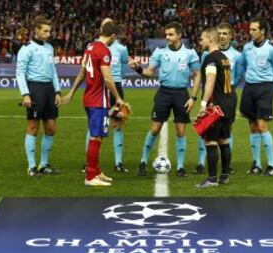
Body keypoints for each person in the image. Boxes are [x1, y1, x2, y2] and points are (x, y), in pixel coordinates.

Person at [129, 22, 201, 177]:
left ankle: (180, 167)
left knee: (181, 130)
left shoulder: (190, 53)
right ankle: (143, 162)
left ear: (179, 35)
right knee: (154, 129)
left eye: (170, 34)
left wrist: (193, 97)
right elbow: (149, 72)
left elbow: (197, 75)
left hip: (182, 94)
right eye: (166, 34)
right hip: (163, 93)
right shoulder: (159, 52)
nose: (167, 37)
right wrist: (138, 69)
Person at [62, 22, 124, 186]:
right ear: (113, 36)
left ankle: (96, 171)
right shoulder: (104, 51)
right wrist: (118, 97)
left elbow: (82, 73)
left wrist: (72, 92)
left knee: (98, 136)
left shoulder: (90, 48)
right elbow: (108, 78)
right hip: (99, 100)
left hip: (88, 98)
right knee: (96, 137)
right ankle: (90, 176)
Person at [194, 22, 243, 175]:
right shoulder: (224, 58)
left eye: (202, 39)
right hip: (228, 103)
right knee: (224, 140)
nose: (200, 41)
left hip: (216, 105)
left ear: (209, 39)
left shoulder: (210, 58)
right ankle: (225, 175)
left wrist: (203, 104)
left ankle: (211, 178)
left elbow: (210, 81)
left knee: (210, 141)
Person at [16, 16, 61, 177]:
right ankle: (31, 167)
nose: (48, 34)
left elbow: (53, 71)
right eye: (45, 31)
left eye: (49, 31)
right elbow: (20, 73)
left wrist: (57, 91)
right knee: (33, 128)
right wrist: (26, 94)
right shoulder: (26, 48)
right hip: (34, 88)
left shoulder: (49, 47)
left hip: (49, 89)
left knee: (50, 128)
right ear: (36, 30)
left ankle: (44, 164)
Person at [83, 18, 130, 173]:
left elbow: (123, 67)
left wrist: (118, 82)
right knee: (93, 127)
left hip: (114, 85)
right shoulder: (96, 47)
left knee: (118, 124)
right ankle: (89, 164)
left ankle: (118, 162)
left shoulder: (122, 49)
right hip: (101, 88)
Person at [240, 17, 273, 176]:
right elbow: (243, 67)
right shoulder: (246, 48)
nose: (250, 32)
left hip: (265, 87)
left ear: (263, 30)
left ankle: (272, 165)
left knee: (262, 125)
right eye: (250, 29)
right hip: (249, 88)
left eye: (254, 30)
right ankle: (257, 164)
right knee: (252, 126)